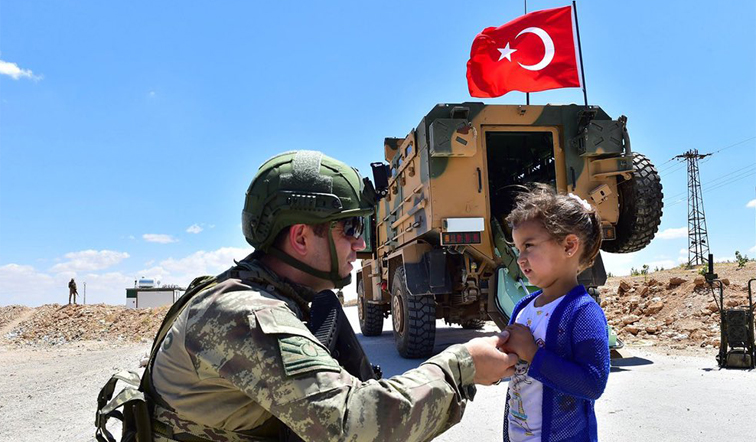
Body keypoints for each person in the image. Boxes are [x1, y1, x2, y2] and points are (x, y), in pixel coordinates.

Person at [149, 150, 519, 442]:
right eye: (350, 227)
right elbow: (350, 425)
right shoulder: (245, 314)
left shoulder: (273, 295)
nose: (361, 244)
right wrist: (461, 365)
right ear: (300, 238)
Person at [501, 184, 610, 442]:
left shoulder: (583, 313)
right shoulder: (523, 308)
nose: (520, 258)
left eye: (528, 246)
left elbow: (592, 383)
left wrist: (533, 354)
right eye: (518, 249)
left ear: (569, 246)